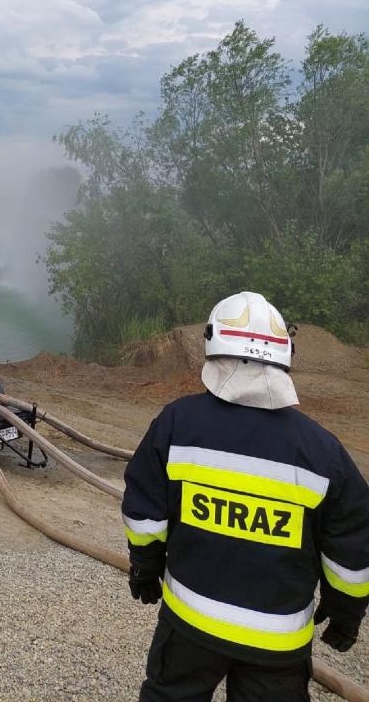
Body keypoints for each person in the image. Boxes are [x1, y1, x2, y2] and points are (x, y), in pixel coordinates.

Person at [123, 290, 369, 702]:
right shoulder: (323, 451)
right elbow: (352, 548)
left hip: (190, 625)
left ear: (211, 343)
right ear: (285, 352)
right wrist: (346, 612)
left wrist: (144, 567)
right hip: (277, 643)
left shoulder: (177, 424)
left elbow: (145, 514)